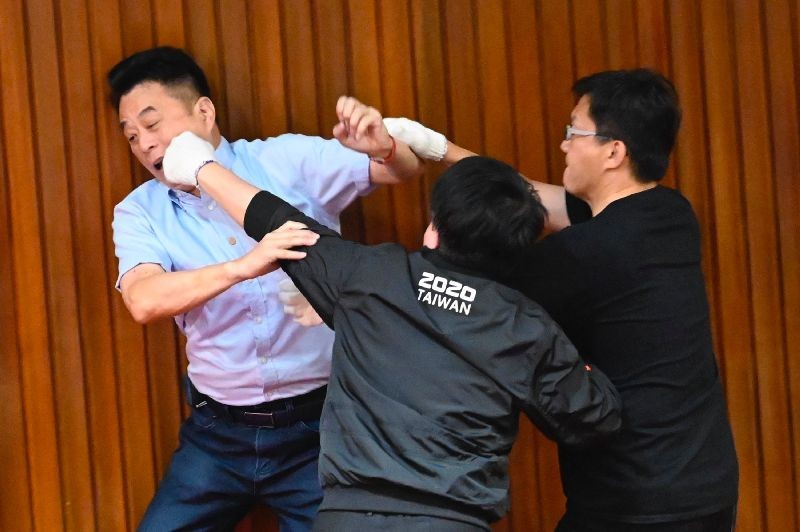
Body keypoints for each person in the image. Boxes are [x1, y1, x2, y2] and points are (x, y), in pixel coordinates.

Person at [160, 130, 623, 532]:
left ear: (434, 229)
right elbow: (595, 418)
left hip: (346, 519)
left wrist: (202, 167)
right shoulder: (525, 327)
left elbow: (278, 222)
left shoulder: (369, 277)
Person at [384, 68, 739, 531]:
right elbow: (526, 197)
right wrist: (438, 148)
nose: (564, 144)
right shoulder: (670, 214)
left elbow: (472, 298)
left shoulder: (579, 256)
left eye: (575, 131)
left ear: (614, 151)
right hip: (706, 482)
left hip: (638, 498)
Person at [107, 46, 425, 531]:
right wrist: (244, 267)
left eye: (153, 125)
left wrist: (383, 146)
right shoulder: (140, 210)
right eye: (132, 137)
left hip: (318, 426)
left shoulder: (286, 160)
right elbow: (143, 300)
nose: (145, 145)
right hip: (218, 434)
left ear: (204, 111)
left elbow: (400, 171)